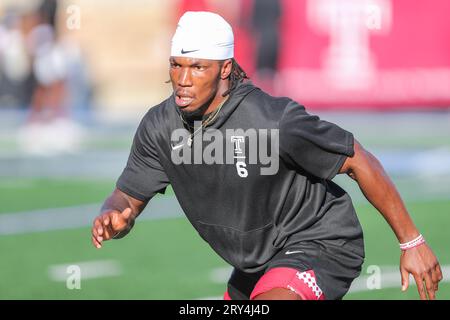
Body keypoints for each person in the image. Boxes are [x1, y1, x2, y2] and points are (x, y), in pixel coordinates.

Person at [91, 11, 442, 300]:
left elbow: (356, 158)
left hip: (319, 240)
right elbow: (128, 197)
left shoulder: (273, 119)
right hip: (256, 260)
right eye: (176, 65)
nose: (183, 79)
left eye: (197, 67)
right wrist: (113, 214)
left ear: (225, 69)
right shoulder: (159, 127)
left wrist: (412, 241)